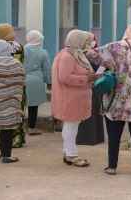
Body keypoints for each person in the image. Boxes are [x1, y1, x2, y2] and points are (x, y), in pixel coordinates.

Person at [87, 24, 131, 175]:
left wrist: (91, 43)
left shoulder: (113, 47)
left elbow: (92, 55)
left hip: (115, 98)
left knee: (113, 135)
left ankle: (112, 167)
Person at [51, 29, 95, 167]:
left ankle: (68, 152)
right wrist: (86, 78)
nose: (87, 44)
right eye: (85, 41)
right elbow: (64, 78)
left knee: (71, 127)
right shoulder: (67, 56)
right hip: (70, 98)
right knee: (71, 127)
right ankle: (71, 155)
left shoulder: (74, 54)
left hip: (75, 98)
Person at [0, 23, 26, 148]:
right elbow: (20, 64)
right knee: (16, 111)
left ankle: (1, 139)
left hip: (0, 85)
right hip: (16, 84)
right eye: (11, 31)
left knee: (2, 111)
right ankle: (17, 138)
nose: (13, 33)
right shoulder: (18, 47)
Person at [24, 30, 51, 136]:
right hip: (36, 80)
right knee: (33, 106)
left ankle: (17, 127)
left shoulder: (22, 50)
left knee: (21, 104)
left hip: (22, 78)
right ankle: (31, 128)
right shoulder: (43, 52)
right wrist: (49, 82)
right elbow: (47, 69)